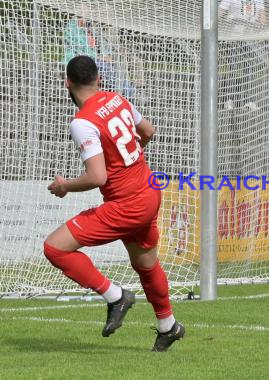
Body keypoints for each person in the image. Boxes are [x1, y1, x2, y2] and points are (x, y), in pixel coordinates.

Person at [44, 56, 184, 352]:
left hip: (127, 204)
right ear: (98, 79)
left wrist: (64, 186)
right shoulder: (117, 98)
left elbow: (97, 176)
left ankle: (116, 295)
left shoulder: (82, 122)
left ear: (67, 83)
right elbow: (148, 131)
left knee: (55, 247)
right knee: (146, 264)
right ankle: (168, 326)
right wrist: (126, 159)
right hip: (148, 191)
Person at [64, 16, 136, 99]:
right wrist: (100, 57)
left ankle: (126, 91)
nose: (88, 19)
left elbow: (104, 42)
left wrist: (116, 50)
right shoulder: (71, 30)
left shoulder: (90, 28)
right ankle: (130, 92)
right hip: (79, 61)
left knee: (114, 66)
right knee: (106, 68)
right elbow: (80, 49)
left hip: (95, 60)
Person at [218, 0, 267, 111]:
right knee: (233, 67)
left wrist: (262, 26)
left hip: (251, 37)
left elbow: (263, 15)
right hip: (234, 36)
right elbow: (220, 12)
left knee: (249, 69)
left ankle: (249, 101)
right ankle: (229, 99)